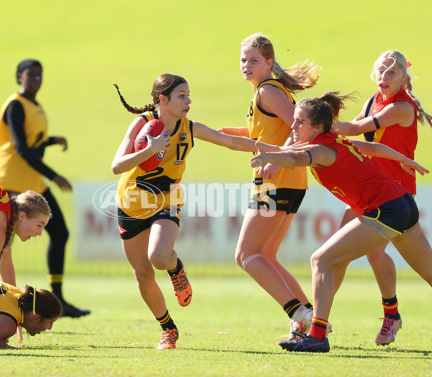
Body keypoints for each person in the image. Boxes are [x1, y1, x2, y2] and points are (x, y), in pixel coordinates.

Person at [249, 92, 432, 353]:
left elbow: (295, 159)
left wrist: (270, 156)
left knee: (321, 260)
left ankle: (316, 335)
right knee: (431, 272)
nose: (293, 126)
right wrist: (402, 159)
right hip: (403, 203)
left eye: (299, 122)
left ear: (318, 127)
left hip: (385, 210)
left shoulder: (321, 149)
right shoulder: (336, 140)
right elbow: (371, 148)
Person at [111, 73, 309, 349]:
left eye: (188, 95)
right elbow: (117, 166)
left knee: (158, 257)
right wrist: (151, 148)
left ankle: (175, 268)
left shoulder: (189, 128)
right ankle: (168, 329)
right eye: (181, 96)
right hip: (130, 203)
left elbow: (231, 142)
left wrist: (277, 151)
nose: (188, 101)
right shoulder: (141, 124)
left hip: (166, 200)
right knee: (142, 274)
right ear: (162, 100)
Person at [332, 50, 432, 346]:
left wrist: (316, 123)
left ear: (404, 77)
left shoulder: (402, 107)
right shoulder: (371, 101)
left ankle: (394, 315)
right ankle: (319, 319)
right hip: (367, 188)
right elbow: (348, 135)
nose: (383, 77)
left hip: (395, 194)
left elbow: (354, 129)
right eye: (380, 70)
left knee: (380, 255)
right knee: (337, 254)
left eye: (391, 72)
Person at [219, 33, 321, 338]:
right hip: (289, 182)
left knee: (246, 256)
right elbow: (270, 131)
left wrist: (277, 160)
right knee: (267, 256)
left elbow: (300, 128)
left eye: (253, 60)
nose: (246, 65)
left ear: (269, 62)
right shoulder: (266, 92)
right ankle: (309, 320)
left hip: (276, 181)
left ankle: (299, 313)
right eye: (243, 60)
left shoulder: (267, 91)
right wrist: (222, 134)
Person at [0, 59, 89, 318]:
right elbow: (21, 150)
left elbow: (34, 145)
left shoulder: (36, 106)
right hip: (9, 180)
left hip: (32, 182)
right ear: (19, 77)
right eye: (31, 74)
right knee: (3, 243)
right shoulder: (15, 105)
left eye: (39, 75)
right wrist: (54, 176)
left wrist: (52, 141)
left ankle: (58, 299)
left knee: (60, 233)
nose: (36, 79)